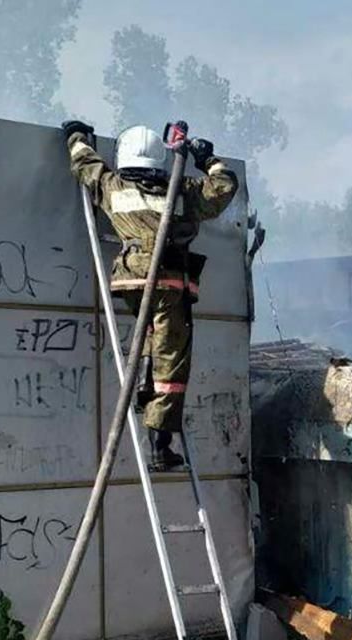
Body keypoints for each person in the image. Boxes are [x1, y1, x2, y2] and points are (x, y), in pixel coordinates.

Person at [62, 119, 238, 470]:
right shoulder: (182, 190)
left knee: (150, 337)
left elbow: (86, 164)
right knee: (172, 360)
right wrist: (208, 159)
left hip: (130, 280)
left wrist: (76, 136)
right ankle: (160, 444)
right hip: (170, 282)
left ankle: (144, 391)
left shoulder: (114, 185)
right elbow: (223, 187)